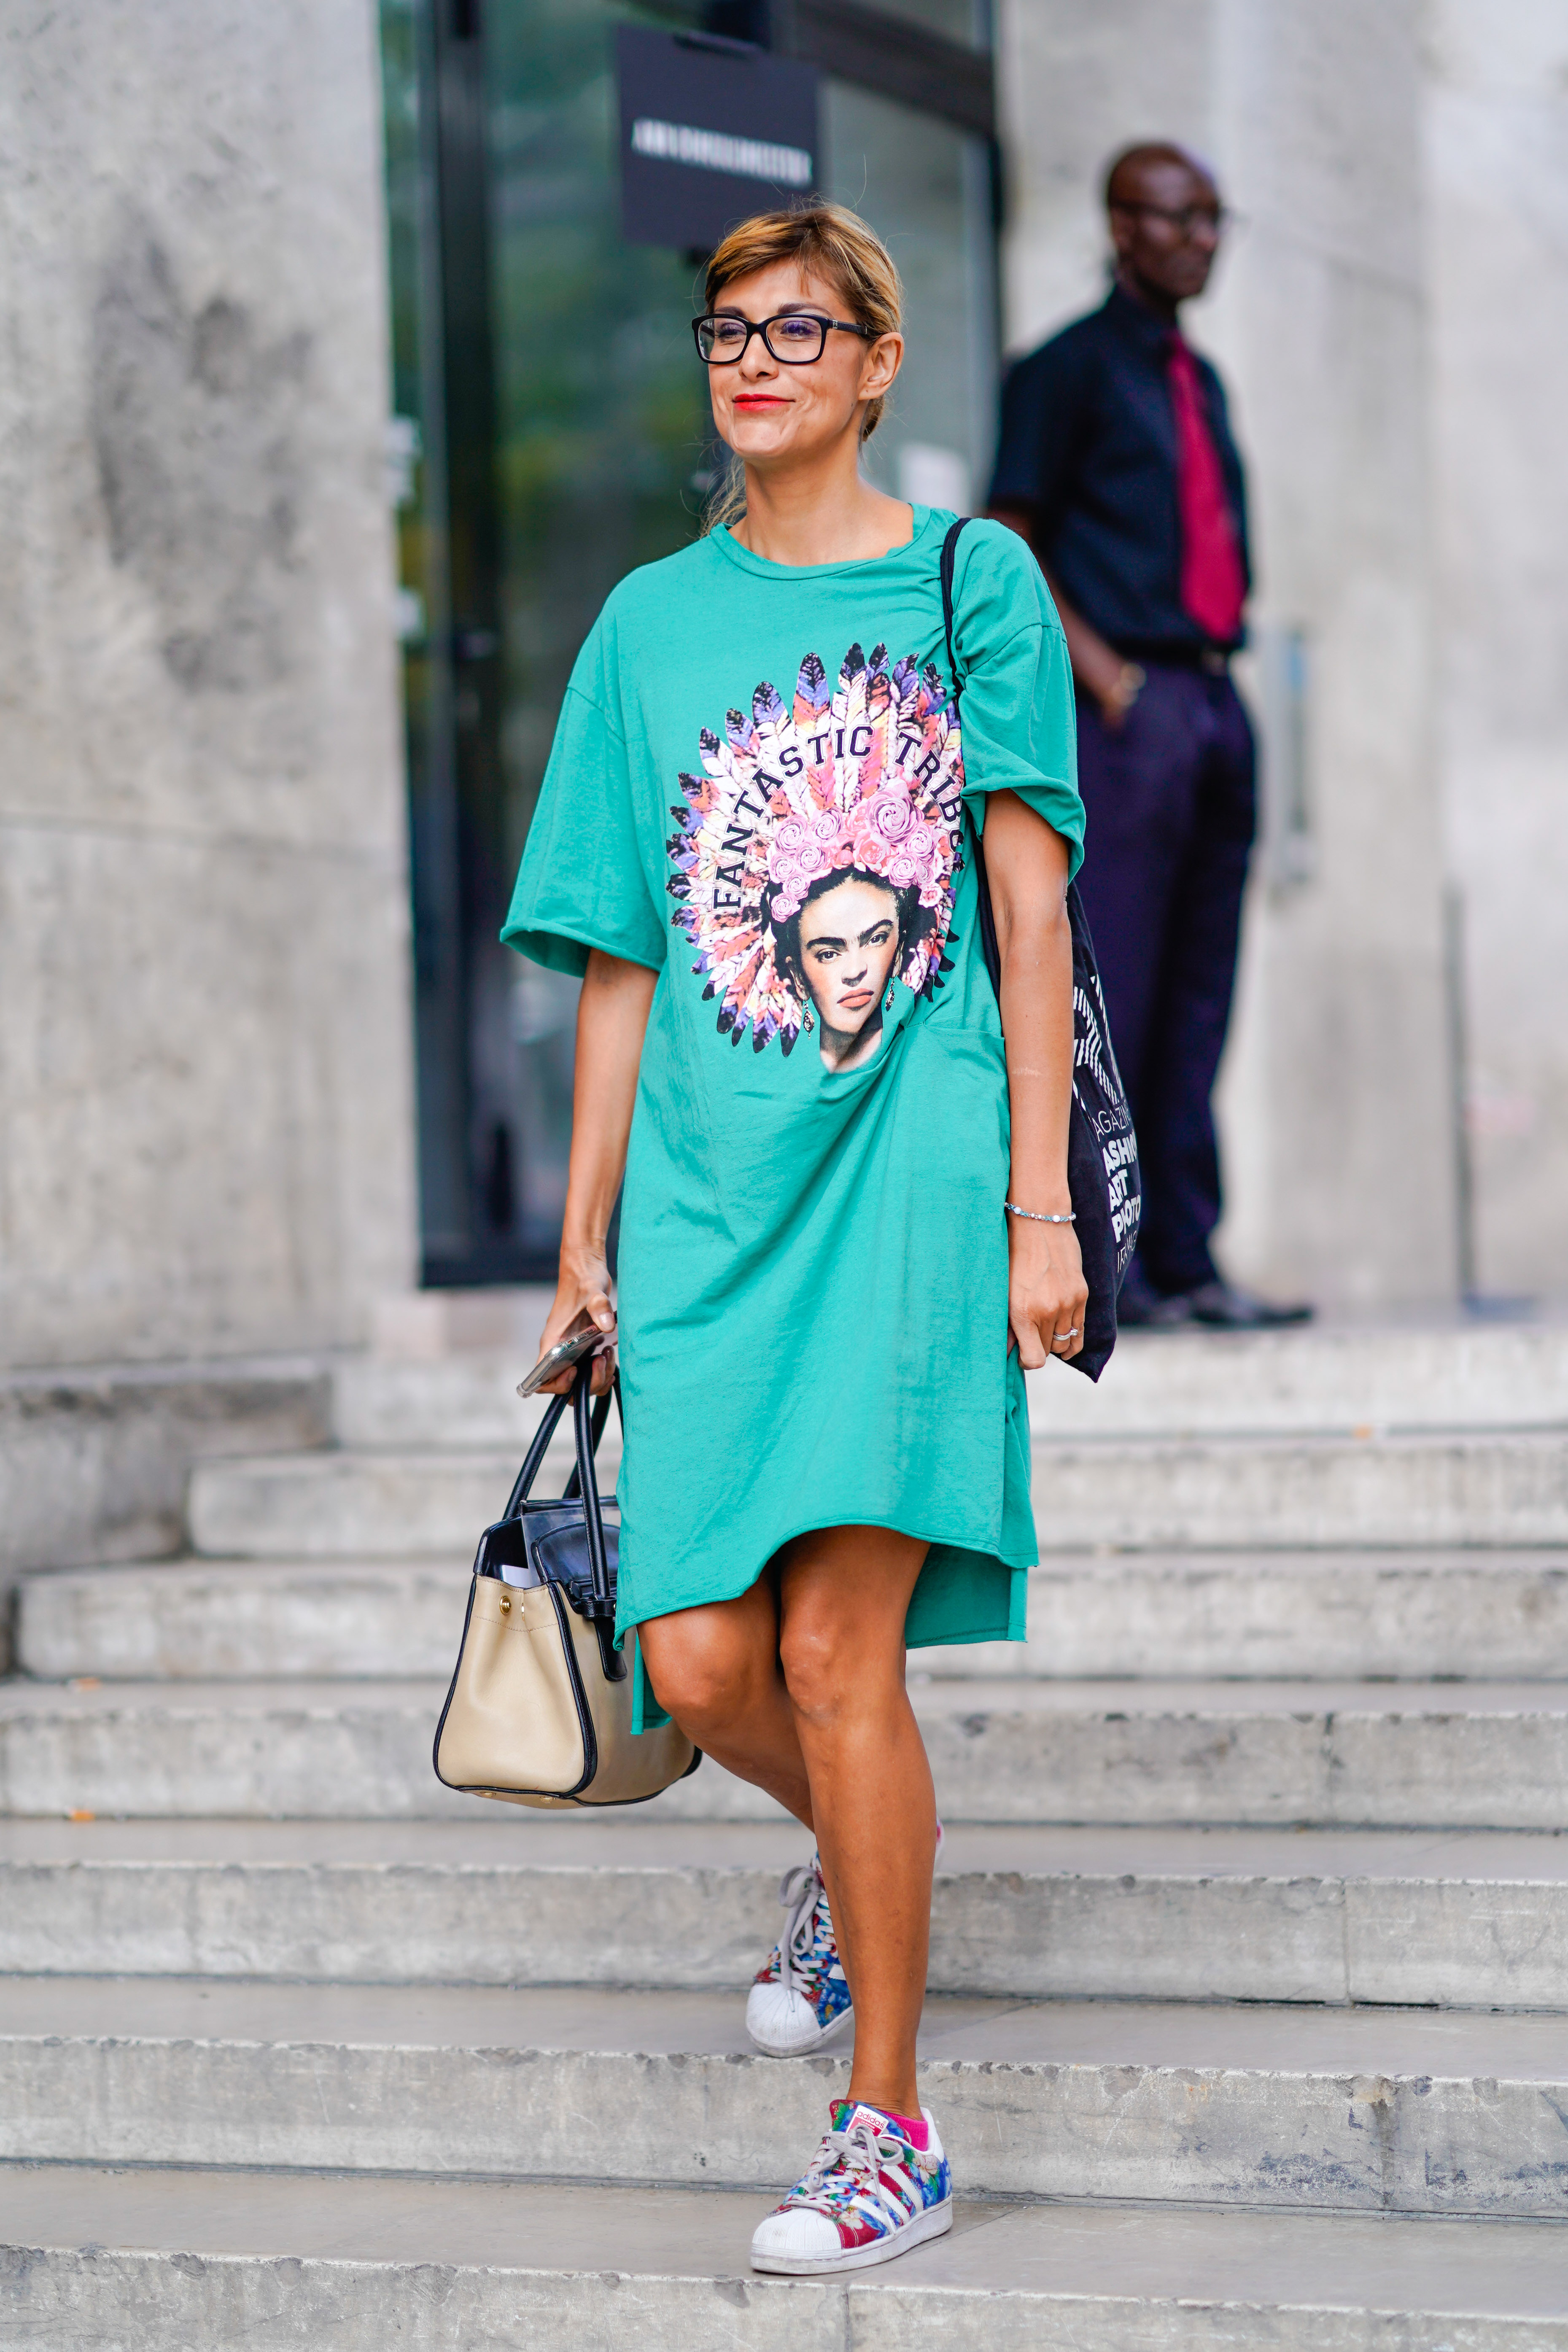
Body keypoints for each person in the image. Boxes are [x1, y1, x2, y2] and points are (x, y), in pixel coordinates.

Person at [504, 201, 1085, 2274]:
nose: (752, 358)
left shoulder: (971, 581)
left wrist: (1039, 1205)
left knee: (845, 1650)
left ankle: (893, 2126)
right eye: (723, 329)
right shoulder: (645, 633)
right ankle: (854, 1867)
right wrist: (578, 1250)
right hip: (707, 1205)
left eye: (797, 328)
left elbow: (1030, 911)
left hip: (913, 1187)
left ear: (874, 361)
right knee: (696, 1659)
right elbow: (620, 965)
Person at [989, 141, 1310, 1328]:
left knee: (1202, 990)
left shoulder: (1201, 379)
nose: (1200, 241)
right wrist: (1106, 675)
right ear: (1121, 227)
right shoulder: (1063, 371)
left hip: (1214, 699)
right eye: (1176, 220)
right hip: (1126, 706)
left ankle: (1189, 1257)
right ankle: (1109, 1263)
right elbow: (1006, 534)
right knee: (1112, 984)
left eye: (1216, 221)